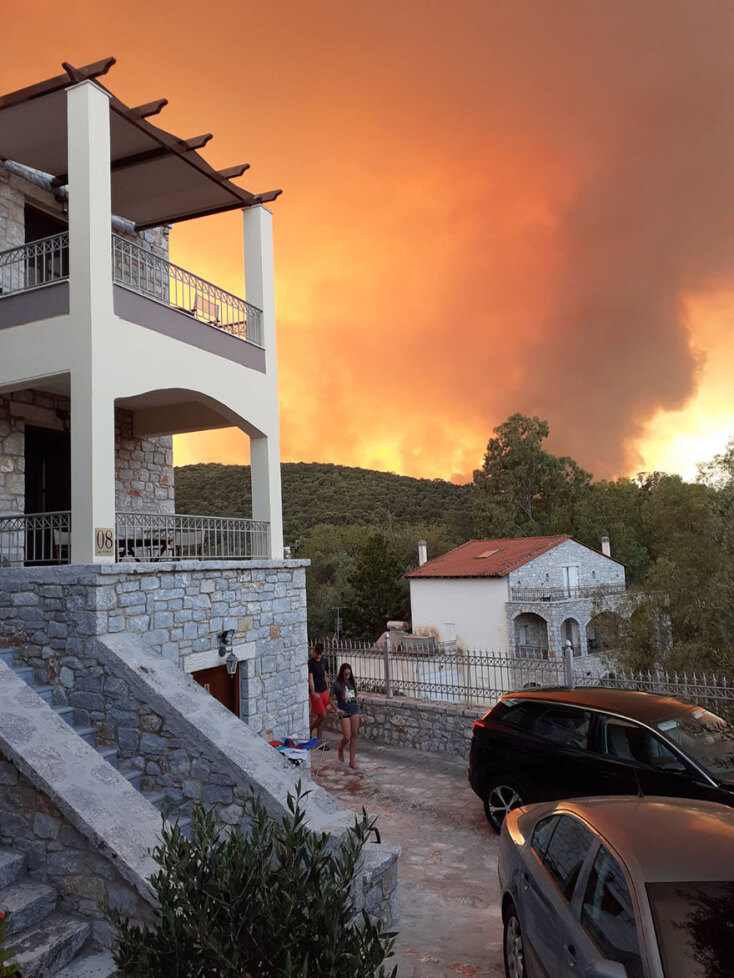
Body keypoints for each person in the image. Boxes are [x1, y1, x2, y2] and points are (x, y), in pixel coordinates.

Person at [331, 662, 360, 769]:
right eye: (345, 674)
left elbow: (354, 695)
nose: (347, 676)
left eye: (349, 674)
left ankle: (352, 761)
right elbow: (329, 700)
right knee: (347, 736)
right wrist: (337, 710)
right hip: (344, 712)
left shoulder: (351, 682)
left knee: (354, 735)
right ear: (341, 673)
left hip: (354, 709)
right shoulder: (336, 684)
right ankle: (341, 748)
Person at [308, 642, 331, 745]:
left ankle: (319, 741)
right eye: (316, 653)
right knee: (323, 715)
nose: (318, 656)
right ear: (314, 651)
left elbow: (325, 676)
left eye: (319, 654)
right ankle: (309, 730)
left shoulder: (324, 662)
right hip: (316, 691)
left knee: (321, 718)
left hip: (324, 690)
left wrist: (328, 689)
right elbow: (310, 678)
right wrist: (313, 692)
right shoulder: (310, 663)